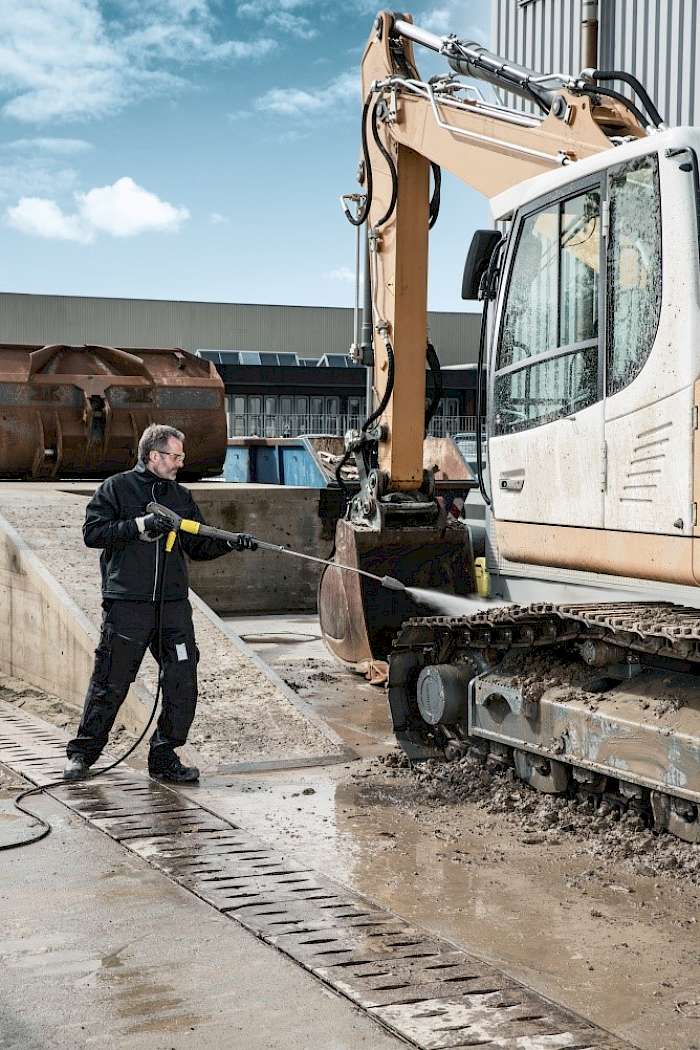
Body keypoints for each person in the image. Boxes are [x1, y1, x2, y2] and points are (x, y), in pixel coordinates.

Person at [63, 423, 257, 784]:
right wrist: (139, 526)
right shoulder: (117, 488)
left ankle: (165, 756)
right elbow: (93, 533)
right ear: (154, 455)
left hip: (172, 607)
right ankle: (82, 755)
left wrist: (230, 542)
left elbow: (197, 546)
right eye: (175, 456)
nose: (180, 463)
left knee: (183, 680)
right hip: (128, 604)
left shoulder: (181, 497)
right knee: (111, 680)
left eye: (182, 456)